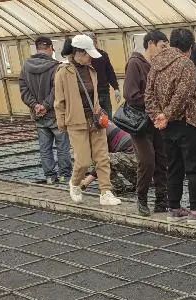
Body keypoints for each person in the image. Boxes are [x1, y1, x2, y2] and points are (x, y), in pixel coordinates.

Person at [146, 28, 196, 222]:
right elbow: (183, 94)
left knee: (174, 166)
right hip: (188, 122)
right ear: (190, 47)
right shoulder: (186, 63)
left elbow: (148, 94)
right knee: (195, 167)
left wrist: (158, 116)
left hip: (166, 126)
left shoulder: (156, 63)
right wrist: (166, 115)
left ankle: (174, 208)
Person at [53, 34, 121, 206]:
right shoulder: (63, 72)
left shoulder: (91, 70)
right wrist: (62, 123)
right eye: (88, 54)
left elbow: (95, 95)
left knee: (102, 157)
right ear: (79, 52)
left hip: (95, 119)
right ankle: (75, 183)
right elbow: (59, 101)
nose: (91, 57)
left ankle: (105, 192)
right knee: (83, 160)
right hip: (76, 121)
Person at [124, 29, 169, 216]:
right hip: (140, 122)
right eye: (162, 46)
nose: (164, 50)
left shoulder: (158, 66)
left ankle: (161, 200)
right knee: (147, 160)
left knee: (162, 159)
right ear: (151, 43)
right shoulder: (135, 64)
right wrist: (153, 103)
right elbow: (130, 94)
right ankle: (141, 197)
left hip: (157, 121)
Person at [20, 36, 71, 185]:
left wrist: (35, 105)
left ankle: (50, 177)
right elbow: (57, 90)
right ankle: (65, 176)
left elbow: (23, 90)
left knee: (45, 148)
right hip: (55, 115)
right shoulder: (56, 67)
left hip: (38, 116)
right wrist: (46, 105)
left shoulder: (26, 67)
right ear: (50, 48)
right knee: (62, 146)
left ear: (37, 49)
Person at [79, 123, 137, 193]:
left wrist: (86, 181)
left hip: (134, 158)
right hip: (137, 160)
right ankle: (136, 183)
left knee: (105, 160)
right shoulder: (103, 123)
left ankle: (119, 187)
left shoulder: (98, 131)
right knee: (110, 160)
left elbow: (102, 161)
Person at [87, 33, 120, 117]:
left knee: (107, 117)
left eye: (94, 41)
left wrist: (116, 88)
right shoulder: (85, 58)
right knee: (95, 118)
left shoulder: (103, 55)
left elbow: (110, 72)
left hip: (104, 91)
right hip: (91, 93)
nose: (94, 43)